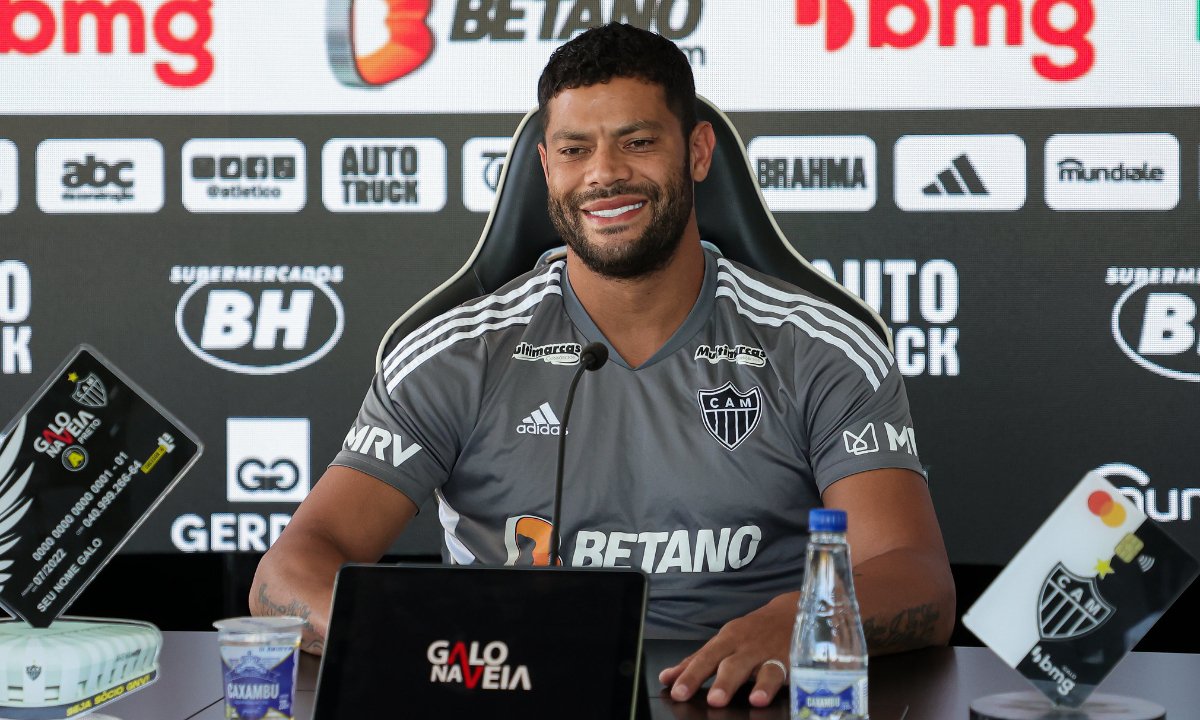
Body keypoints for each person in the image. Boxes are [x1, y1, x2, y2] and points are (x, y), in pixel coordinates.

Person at [251, 22, 955, 708]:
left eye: (638, 142)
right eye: (574, 149)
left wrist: (797, 622)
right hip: (508, 697)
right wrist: (427, 653)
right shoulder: (456, 353)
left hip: (736, 699)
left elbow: (915, 576)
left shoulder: (818, 347)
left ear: (699, 152)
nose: (604, 174)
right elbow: (288, 572)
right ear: (546, 168)